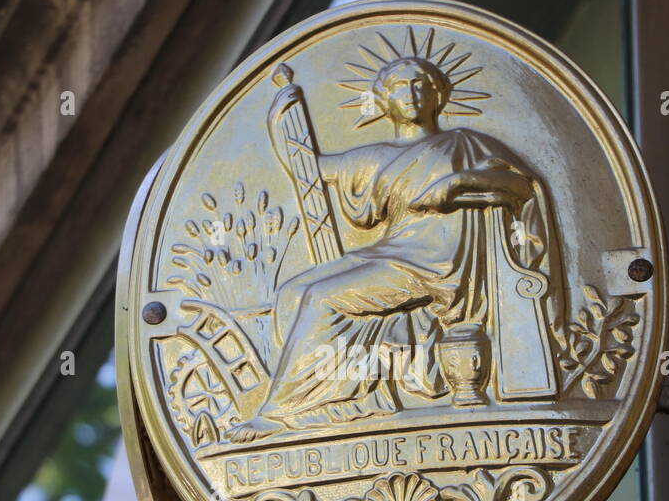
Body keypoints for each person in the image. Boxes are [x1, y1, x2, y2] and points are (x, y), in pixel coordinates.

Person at [227, 55, 562, 443]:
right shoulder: (375, 158)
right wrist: (281, 113)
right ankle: (341, 401)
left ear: (438, 95)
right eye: (400, 87)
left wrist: (457, 181)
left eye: (421, 85)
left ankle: (280, 413)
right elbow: (309, 167)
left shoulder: (468, 145)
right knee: (291, 294)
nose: (411, 94)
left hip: (439, 264)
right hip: (392, 254)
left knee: (321, 298)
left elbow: (522, 186)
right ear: (384, 100)